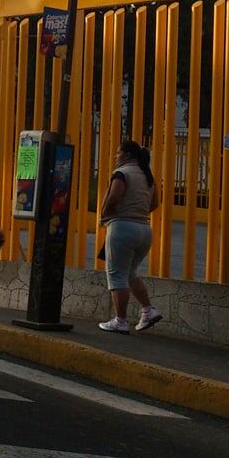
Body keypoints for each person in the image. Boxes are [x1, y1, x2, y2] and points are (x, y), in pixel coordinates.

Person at [97, 139, 163, 334]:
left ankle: (120, 320)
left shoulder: (122, 174)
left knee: (117, 275)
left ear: (126, 155)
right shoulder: (147, 175)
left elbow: (115, 196)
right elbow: (155, 203)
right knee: (129, 273)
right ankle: (148, 310)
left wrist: (106, 213)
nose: (116, 157)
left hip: (122, 228)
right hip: (144, 230)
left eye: (118, 153)